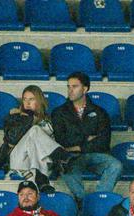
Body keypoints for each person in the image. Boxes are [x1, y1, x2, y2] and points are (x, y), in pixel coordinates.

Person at [51, 72, 123, 201]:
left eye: (74, 86)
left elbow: (103, 141)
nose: (70, 90)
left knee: (115, 165)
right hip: (71, 157)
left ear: (85, 89)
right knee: (66, 166)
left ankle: (98, 200)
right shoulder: (59, 112)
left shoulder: (100, 112)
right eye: (68, 87)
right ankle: (83, 202)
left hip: (94, 155)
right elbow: (61, 140)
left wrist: (77, 146)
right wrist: (87, 138)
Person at [0, 85, 64, 186]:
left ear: (39, 101)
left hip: (42, 160)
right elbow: (11, 142)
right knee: (35, 130)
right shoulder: (15, 117)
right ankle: (62, 156)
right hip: (19, 160)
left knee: (37, 146)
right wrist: (27, 120)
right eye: (25, 99)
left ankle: (41, 180)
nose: (27, 103)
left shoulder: (49, 120)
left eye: (31, 99)